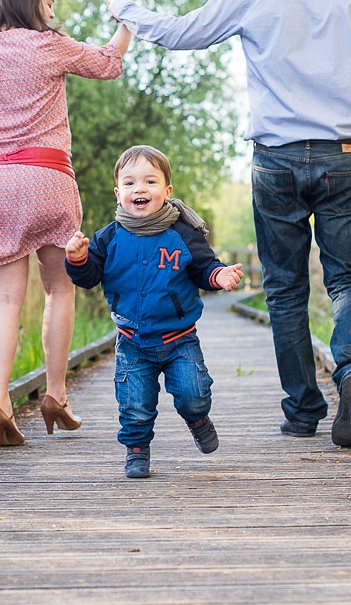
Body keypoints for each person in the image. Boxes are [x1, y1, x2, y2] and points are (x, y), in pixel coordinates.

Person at [107, 0, 351, 449]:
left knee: (285, 288)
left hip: (275, 160)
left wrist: (127, 10)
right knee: (348, 277)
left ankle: (302, 409)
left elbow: (181, 34)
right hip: (346, 155)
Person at [0, 0, 133, 448]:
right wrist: (128, 17)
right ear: (30, 2)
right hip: (48, 180)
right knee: (59, 291)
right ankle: (56, 395)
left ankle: (0, 401)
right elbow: (108, 63)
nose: (52, 10)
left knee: (5, 300)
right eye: (48, 2)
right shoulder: (48, 45)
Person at [65, 145, 244, 478]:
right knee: (134, 404)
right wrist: (77, 259)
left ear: (167, 191)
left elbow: (205, 267)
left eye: (150, 181)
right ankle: (136, 450)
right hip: (132, 341)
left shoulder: (182, 233)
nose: (140, 189)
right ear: (119, 193)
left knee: (193, 394)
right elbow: (88, 277)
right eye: (131, 183)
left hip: (180, 339)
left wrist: (220, 276)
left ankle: (198, 418)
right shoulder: (109, 238)